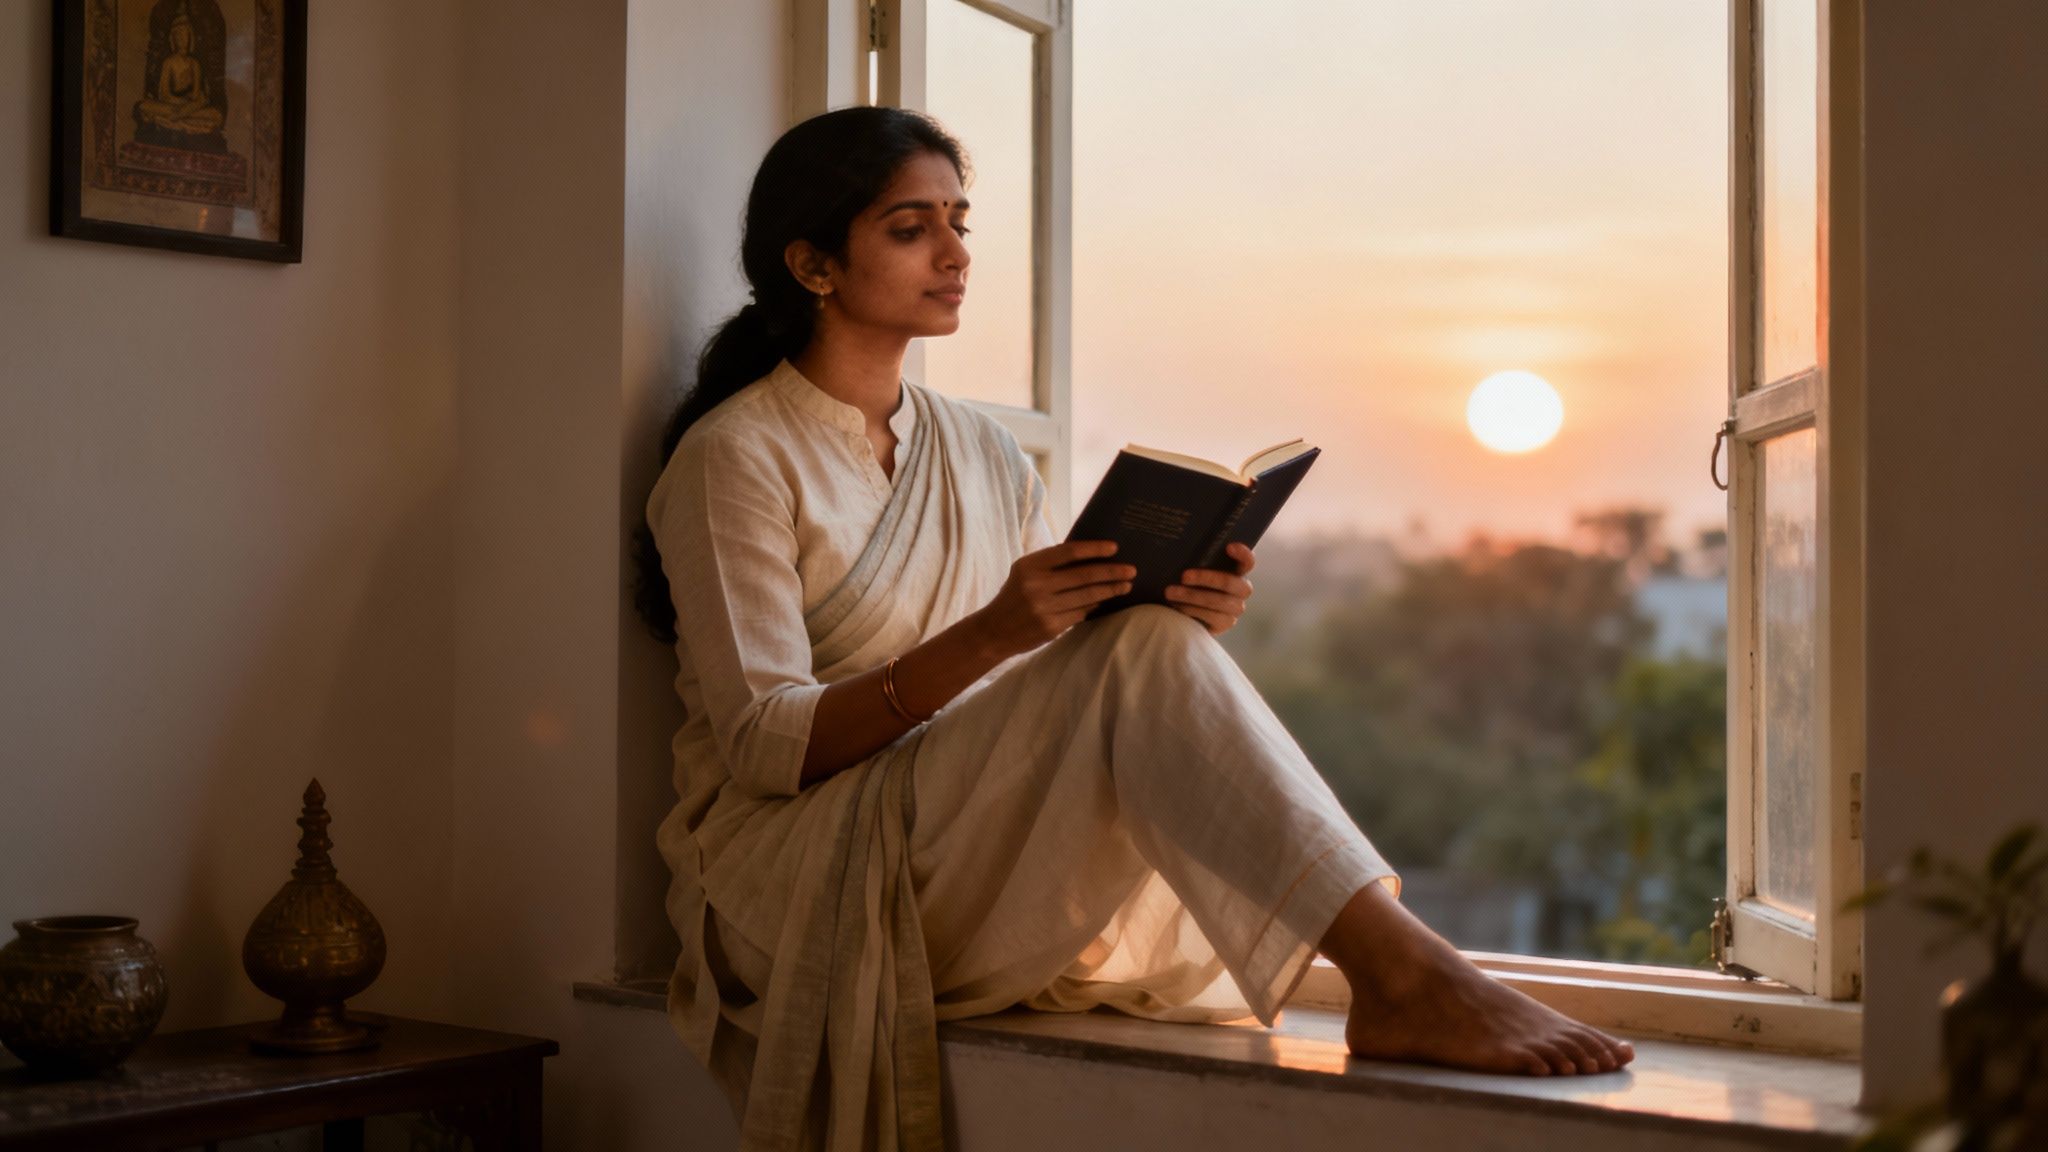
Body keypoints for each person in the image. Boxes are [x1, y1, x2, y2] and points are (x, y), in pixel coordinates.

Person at [639, 106, 1635, 1151]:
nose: (955, 254)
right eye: (909, 228)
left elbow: (1060, 686)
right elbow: (763, 746)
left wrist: (1176, 610)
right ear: (812, 264)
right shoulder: (733, 456)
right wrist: (996, 633)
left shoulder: (980, 449)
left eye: (960, 223)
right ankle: (1405, 975)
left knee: (1151, 638)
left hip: (959, 842)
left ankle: (1403, 969)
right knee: (1138, 652)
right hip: (798, 878)